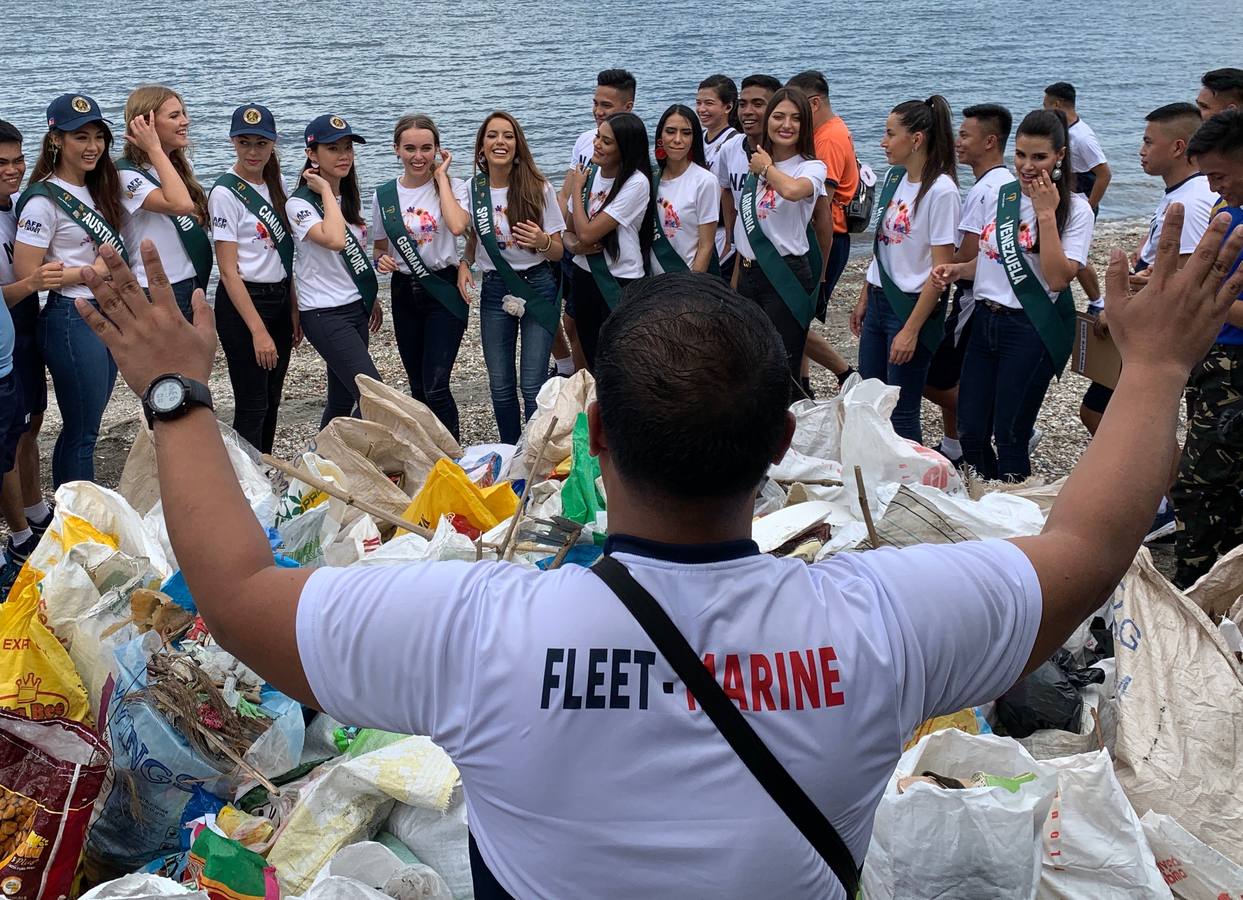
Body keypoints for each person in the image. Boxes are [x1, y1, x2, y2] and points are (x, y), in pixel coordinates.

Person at [77, 206, 1243, 899]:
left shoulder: (476, 628)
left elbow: (234, 591)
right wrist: (1152, 369)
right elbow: (1088, 546)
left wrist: (177, 396)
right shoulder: (880, 624)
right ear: (786, 443)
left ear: (588, 437)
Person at [933, 110, 1096, 482]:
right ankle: (992, 496)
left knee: (1010, 435)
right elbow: (993, 261)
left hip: (1029, 330)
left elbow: (1056, 279)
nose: (1027, 166)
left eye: (1039, 157)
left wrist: (1045, 215)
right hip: (985, 321)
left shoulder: (1077, 210)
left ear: (1060, 156)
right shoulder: (1001, 195)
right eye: (1021, 155)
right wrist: (959, 270)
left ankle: (1015, 509)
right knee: (972, 431)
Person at [1079, 102, 1217, 438]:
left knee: (1109, 416)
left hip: (1153, 332)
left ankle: (1156, 488)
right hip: (1143, 324)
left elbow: (1185, 275)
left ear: (1178, 147)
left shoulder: (1191, 201)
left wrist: (1121, 305)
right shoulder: (1180, 193)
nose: (1140, 151)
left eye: (1148, 142)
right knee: (1112, 416)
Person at [13, 93, 124, 487]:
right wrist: (90, 272)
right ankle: (77, 523)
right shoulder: (44, 200)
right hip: (71, 318)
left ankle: (79, 513)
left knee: (90, 425)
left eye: (98, 136)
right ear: (56, 140)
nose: (93, 146)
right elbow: (27, 273)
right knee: (82, 432)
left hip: (108, 311)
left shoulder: (100, 187)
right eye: (81, 137)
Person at [851, 96, 959, 444]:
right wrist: (865, 294)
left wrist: (911, 330)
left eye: (890, 133)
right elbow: (883, 244)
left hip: (911, 307)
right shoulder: (896, 178)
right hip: (880, 302)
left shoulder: (941, 191)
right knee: (869, 401)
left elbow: (940, 271)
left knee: (902, 409)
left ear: (917, 139)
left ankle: (911, 486)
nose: (883, 142)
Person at [457, 111, 565, 444]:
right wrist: (464, 263)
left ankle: (533, 453)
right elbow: (470, 235)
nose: (499, 142)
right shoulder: (470, 190)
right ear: (481, 146)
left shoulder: (539, 187)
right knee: (500, 384)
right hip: (494, 290)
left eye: (507, 136)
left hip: (538, 286)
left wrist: (542, 242)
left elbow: (560, 251)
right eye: (492, 135)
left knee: (532, 384)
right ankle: (509, 449)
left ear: (518, 146)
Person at [1172, 109, 1243, 586]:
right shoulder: (1229, 211)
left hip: (1235, 368)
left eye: (1219, 175)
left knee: (1197, 486)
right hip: (1212, 357)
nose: (1215, 189)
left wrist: (1204, 298)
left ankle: (1190, 585)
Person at [926, 103, 1015, 465]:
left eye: (965, 135)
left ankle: (997, 424)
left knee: (936, 377)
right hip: (975, 295)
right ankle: (955, 445)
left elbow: (969, 251)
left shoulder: (988, 189)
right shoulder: (998, 183)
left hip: (974, 296)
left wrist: (936, 260)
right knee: (957, 373)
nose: (958, 142)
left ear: (990, 141)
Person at [369, 114, 468, 440]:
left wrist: (441, 178)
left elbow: (460, 229)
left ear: (437, 150)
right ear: (396, 149)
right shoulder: (384, 196)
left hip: (443, 288)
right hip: (404, 291)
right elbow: (379, 248)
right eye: (410, 148)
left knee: (436, 386)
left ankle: (454, 457)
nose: (418, 156)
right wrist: (380, 261)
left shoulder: (452, 187)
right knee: (417, 387)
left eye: (427, 148)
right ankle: (428, 455)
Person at [208, 103, 296, 454]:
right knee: (252, 400)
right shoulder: (225, 193)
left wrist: (293, 309)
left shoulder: (278, 184)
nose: (253, 151)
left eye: (261, 143)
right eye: (245, 142)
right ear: (233, 142)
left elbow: (285, 255)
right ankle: (245, 481)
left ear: (272, 143)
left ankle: (264, 465)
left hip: (279, 297)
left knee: (273, 396)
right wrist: (258, 330)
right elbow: (228, 271)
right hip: (244, 303)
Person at [728, 87, 827, 397]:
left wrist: (766, 169)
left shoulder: (811, 167)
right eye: (779, 116)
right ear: (768, 120)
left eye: (796, 118)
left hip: (785, 275)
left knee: (781, 366)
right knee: (745, 362)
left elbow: (793, 191)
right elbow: (744, 231)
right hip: (747, 273)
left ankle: (789, 437)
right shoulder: (758, 164)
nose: (787, 124)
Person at [287, 114, 382, 428]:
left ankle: (322, 463)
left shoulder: (348, 199)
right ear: (312, 155)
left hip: (354, 307)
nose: (344, 155)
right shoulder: (299, 204)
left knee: (342, 401)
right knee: (375, 397)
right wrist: (325, 190)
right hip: (323, 313)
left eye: (347, 148)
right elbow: (336, 239)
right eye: (333, 149)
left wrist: (370, 296)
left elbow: (353, 258)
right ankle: (348, 458)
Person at [0, 120, 56, 583]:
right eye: (2, 163)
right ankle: (19, 536)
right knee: (9, 435)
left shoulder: (15, 209)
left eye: (18, 160)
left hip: (27, 327)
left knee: (33, 420)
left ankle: (36, 507)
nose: (13, 170)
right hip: (6, 332)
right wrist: (33, 283)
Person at [554, 69, 637, 377]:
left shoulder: (633, 148)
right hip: (577, 251)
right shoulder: (585, 141)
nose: (598, 111)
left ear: (628, 107)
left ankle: (590, 386)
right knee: (571, 321)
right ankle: (578, 384)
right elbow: (566, 190)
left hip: (610, 258)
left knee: (608, 337)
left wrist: (579, 236)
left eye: (607, 105)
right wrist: (563, 236)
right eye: (596, 103)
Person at [561, 111, 654, 369]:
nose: (597, 144)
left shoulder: (636, 183)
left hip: (619, 278)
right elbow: (568, 231)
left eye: (607, 141)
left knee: (619, 357)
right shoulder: (589, 174)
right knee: (590, 352)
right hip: (584, 274)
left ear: (625, 148)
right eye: (598, 137)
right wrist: (574, 246)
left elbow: (589, 233)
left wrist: (577, 189)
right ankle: (593, 408)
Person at [786, 70, 857, 397]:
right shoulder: (835, 128)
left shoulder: (827, 138)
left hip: (825, 239)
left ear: (813, 103)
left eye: (797, 108)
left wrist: (822, 269)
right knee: (797, 318)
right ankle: (804, 386)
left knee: (795, 317)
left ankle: (844, 372)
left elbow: (821, 209)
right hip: (824, 237)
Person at [118, 85, 212, 318]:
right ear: (146, 124)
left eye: (183, 113)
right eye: (174, 116)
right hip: (153, 286)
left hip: (189, 279)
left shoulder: (177, 166)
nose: (185, 121)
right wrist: (154, 148)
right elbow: (181, 205)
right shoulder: (125, 174)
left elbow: (192, 214)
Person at [1043, 82, 1106, 308]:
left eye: (1045, 106)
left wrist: (1089, 206)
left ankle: (1097, 302)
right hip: (1066, 199)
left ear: (1058, 104)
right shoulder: (1063, 132)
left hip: (1081, 201)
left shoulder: (1082, 137)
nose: (1043, 111)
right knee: (1064, 254)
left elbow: (1104, 174)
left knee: (1076, 259)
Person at [717, 74, 782, 282]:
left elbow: (820, 216)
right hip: (745, 256)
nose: (747, 112)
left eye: (757, 104)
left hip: (782, 262)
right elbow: (726, 190)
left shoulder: (789, 155)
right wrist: (729, 238)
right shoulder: (729, 149)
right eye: (743, 104)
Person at [650, 103, 718, 274]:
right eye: (671, 131)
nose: (678, 139)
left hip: (687, 280)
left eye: (686, 133)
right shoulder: (651, 179)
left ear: (694, 138)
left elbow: (706, 245)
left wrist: (691, 288)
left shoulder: (705, 181)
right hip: (653, 284)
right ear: (660, 137)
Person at [696, 74, 741, 280]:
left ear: (728, 107)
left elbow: (732, 192)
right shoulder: (697, 139)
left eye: (709, 103)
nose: (701, 109)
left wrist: (730, 240)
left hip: (721, 230)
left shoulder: (734, 142)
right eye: (698, 103)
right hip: (698, 227)